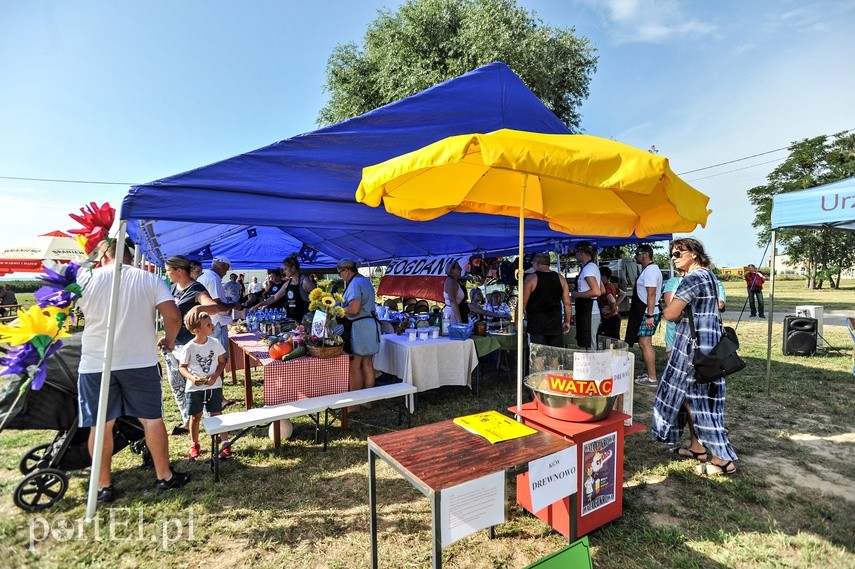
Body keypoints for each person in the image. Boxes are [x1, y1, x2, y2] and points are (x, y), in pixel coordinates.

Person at [76, 240, 188, 502]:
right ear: (129, 256)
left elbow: (61, 311)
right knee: (151, 419)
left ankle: (103, 486)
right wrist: (169, 341)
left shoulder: (84, 279)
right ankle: (164, 476)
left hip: (95, 363)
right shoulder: (148, 279)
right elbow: (173, 316)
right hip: (140, 360)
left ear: (103, 256)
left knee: (101, 425)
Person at [653, 237, 737, 476]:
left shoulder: (693, 277)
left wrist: (664, 308)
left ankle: (722, 460)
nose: (673, 257)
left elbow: (670, 314)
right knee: (691, 399)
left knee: (700, 403)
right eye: (673, 253)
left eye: (679, 253)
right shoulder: (708, 275)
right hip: (706, 346)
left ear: (694, 254)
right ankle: (697, 447)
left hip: (694, 349)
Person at [163, 255, 219, 435]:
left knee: (199, 385)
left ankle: (212, 421)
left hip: (192, 346)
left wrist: (199, 308)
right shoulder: (172, 289)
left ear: (179, 271)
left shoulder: (196, 289)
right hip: (173, 345)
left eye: (168, 270)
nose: (166, 274)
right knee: (177, 385)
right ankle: (187, 421)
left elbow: (213, 306)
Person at [179, 311, 231, 460]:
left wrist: (215, 376)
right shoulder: (189, 347)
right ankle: (194, 444)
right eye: (208, 324)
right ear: (197, 330)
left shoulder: (215, 343)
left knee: (217, 414)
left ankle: (225, 442)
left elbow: (222, 362)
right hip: (195, 388)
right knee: (195, 417)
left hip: (214, 386)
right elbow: (182, 367)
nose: (212, 326)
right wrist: (192, 378)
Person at [337, 259, 381, 402]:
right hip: (370, 325)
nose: (340, 276)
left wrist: (337, 310)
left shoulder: (355, 284)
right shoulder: (365, 281)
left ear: (346, 270)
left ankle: (355, 403)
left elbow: (354, 309)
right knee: (367, 363)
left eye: (340, 273)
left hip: (359, 328)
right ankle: (368, 400)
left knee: (354, 365)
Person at [626, 244, 663, 387]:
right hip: (646, 312)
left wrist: (650, 315)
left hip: (647, 313)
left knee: (645, 343)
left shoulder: (651, 271)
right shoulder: (649, 270)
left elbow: (651, 293)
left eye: (637, 254)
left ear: (645, 254)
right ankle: (650, 374)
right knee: (645, 343)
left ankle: (652, 378)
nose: (635, 257)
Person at [196, 256, 237, 383]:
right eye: (226, 270)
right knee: (219, 360)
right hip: (216, 323)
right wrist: (234, 305)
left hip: (208, 323)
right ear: (222, 266)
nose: (226, 273)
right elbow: (217, 305)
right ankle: (218, 394)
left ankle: (213, 390)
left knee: (210, 359)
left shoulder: (203, 276)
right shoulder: (214, 279)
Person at [522, 252, 572, 348]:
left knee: (538, 357)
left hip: (537, 324)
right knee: (555, 356)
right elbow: (567, 303)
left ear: (537, 263)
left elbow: (522, 303)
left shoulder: (531, 278)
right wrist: (567, 321)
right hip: (555, 324)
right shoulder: (561, 278)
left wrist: (517, 322)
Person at [249, 255, 316, 322]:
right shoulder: (287, 284)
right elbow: (274, 297)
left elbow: (318, 301)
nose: (284, 272)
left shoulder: (305, 282)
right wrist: (258, 305)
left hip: (305, 321)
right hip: (292, 321)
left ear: (293, 268)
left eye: (285, 269)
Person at [570, 241, 601, 348]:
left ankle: (592, 364)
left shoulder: (588, 269)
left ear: (581, 252)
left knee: (589, 343)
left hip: (590, 311)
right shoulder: (592, 267)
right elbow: (602, 289)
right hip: (588, 310)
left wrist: (577, 294)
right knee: (586, 341)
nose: (575, 255)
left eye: (576, 253)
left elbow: (597, 291)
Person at [597, 266, 624, 341]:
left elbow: (611, 300)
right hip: (615, 317)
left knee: (609, 341)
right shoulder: (612, 286)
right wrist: (615, 306)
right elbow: (623, 294)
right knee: (615, 340)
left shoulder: (606, 288)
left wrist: (611, 307)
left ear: (603, 277)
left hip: (609, 318)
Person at [442, 260, 469, 324]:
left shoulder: (455, 280)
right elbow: (452, 301)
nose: (461, 269)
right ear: (452, 270)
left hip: (456, 312)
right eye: (458, 268)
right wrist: (459, 321)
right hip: (452, 314)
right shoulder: (451, 282)